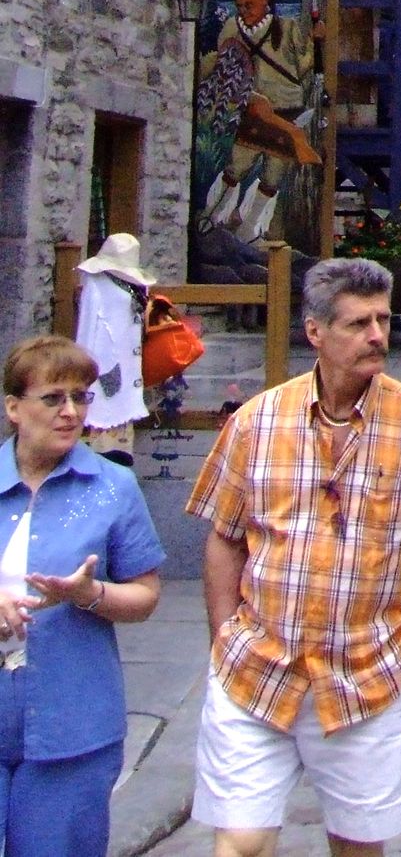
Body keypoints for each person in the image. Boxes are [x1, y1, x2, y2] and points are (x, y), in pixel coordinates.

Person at [186, 258, 401, 856]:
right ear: (316, 332)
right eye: (358, 323)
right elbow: (224, 536)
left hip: (366, 678)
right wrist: (223, 637)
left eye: (382, 319)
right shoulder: (256, 422)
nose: (377, 335)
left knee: (357, 846)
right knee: (240, 842)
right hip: (256, 670)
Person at [0, 335, 163, 857]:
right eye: (53, 398)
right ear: (14, 408)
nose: (71, 412)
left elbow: (145, 596)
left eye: (81, 396)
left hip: (72, 724)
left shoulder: (113, 487)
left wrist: (90, 594)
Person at [198, 0, 322, 243]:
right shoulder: (232, 27)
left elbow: (302, 68)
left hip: (288, 107)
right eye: (240, 5)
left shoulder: (286, 27)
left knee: (272, 176)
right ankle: (212, 218)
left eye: (250, 4)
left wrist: (316, 43)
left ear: (266, 3)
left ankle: (251, 229)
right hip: (252, 108)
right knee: (236, 166)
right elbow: (224, 65)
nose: (244, 10)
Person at [73, 232, 158, 464]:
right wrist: (81, 364)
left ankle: (121, 464)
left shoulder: (137, 287)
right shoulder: (96, 282)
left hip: (130, 358)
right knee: (103, 409)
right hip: (103, 355)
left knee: (124, 418)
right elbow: (87, 323)